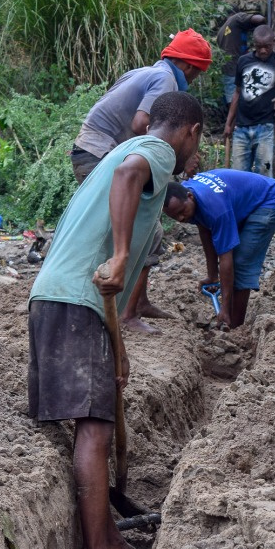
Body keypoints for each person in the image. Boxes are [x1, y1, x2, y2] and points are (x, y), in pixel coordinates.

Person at [29, 92, 204, 549]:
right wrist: (125, 253)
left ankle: (111, 539)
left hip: (61, 299)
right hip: (75, 300)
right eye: (199, 142)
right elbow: (131, 175)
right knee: (95, 429)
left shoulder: (120, 150)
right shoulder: (155, 152)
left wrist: (118, 351)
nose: (195, 154)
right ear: (189, 130)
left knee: (95, 419)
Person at [71, 29, 213, 334]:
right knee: (145, 229)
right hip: (100, 152)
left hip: (93, 149)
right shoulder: (166, 80)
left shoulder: (146, 71)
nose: (195, 80)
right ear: (189, 66)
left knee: (147, 230)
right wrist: (170, 160)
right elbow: (141, 125)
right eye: (198, 75)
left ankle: (137, 303)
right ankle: (125, 313)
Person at [162, 169, 275, 329]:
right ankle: (232, 317)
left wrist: (224, 308)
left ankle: (235, 327)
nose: (181, 219)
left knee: (240, 262)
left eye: (182, 212)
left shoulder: (215, 209)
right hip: (241, 199)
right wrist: (212, 276)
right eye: (175, 217)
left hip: (270, 200)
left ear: (190, 197)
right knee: (233, 259)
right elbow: (205, 230)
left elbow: (225, 257)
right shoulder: (188, 193)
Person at [225, 25, 275, 177]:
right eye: (259, 46)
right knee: (238, 176)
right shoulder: (243, 61)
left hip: (265, 127)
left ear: (273, 42)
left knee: (263, 172)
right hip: (241, 128)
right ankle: (243, 201)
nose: (263, 51)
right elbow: (237, 93)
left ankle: (262, 201)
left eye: (267, 47)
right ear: (253, 43)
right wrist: (229, 123)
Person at [215, 10, 266, 107]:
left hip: (226, 70)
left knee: (231, 99)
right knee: (237, 101)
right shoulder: (237, 18)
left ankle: (232, 120)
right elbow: (260, 19)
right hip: (236, 68)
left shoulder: (221, 31)